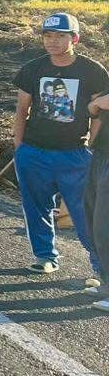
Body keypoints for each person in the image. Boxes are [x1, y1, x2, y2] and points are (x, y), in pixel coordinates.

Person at [11, 12, 108, 277]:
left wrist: (90, 145)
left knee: (87, 214)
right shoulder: (32, 69)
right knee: (36, 208)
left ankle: (101, 268)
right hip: (34, 152)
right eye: (48, 35)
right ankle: (45, 256)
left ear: (74, 39)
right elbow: (22, 110)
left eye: (60, 36)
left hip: (75, 155)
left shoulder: (92, 71)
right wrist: (20, 148)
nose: (52, 41)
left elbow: (99, 113)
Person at [85, 90, 109, 310]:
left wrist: (99, 104)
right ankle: (107, 282)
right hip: (101, 153)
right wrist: (98, 104)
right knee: (93, 221)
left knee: (104, 226)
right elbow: (93, 108)